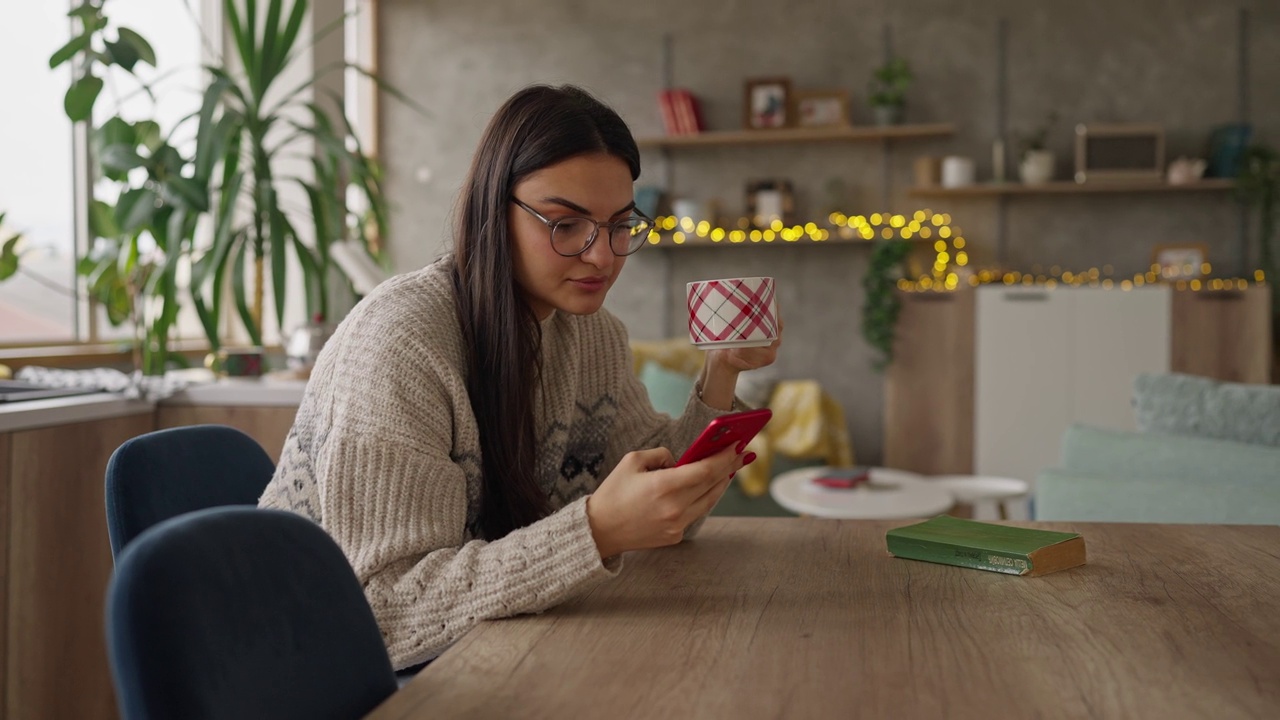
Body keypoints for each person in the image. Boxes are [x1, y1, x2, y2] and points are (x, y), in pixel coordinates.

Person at [258, 84, 782, 670]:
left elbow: (662, 516)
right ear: (492, 210)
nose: (603, 256)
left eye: (619, 224)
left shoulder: (593, 334)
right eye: (564, 223)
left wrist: (720, 373)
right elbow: (388, 611)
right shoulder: (402, 343)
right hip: (319, 670)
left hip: (483, 651)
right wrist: (597, 531)